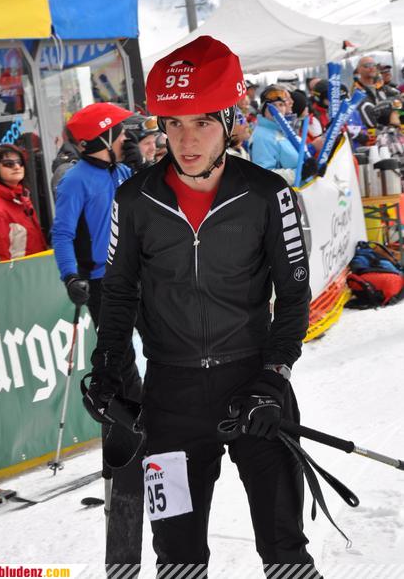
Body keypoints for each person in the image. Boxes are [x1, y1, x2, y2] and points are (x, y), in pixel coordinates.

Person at [85, 35, 321, 578]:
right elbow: (118, 292)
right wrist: (108, 366)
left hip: (256, 391)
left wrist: (274, 376)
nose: (186, 140)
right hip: (171, 402)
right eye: (174, 124)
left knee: (285, 550)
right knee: (177, 557)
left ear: (229, 121)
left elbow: (293, 297)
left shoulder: (267, 194)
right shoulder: (134, 199)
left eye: (203, 123)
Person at [51, 102, 144, 568]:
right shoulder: (76, 180)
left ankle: (164, 413)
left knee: (166, 341)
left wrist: (142, 168)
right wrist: (71, 275)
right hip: (103, 283)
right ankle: (139, 425)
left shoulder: (121, 172)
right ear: (102, 139)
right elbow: (62, 232)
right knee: (119, 358)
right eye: (121, 132)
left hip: (139, 274)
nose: (128, 137)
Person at [0, 143, 47, 261]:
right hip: (17, 271)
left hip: (35, 267)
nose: (17, 167)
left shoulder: (22, 198)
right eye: (8, 163)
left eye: (20, 162)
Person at [250, 84, 300, 184]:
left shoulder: (284, 131)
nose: (277, 109)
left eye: (281, 105)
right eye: (273, 106)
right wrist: (299, 173)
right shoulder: (261, 136)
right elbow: (264, 176)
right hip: (286, 191)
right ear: (263, 109)